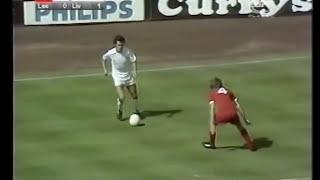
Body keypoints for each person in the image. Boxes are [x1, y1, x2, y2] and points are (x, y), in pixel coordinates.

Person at [202, 77, 257, 151]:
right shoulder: (229, 92)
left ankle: (212, 144)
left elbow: (212, 109)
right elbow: (238, 106)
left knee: (213, 124)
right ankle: (250, 144)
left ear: (213, 87)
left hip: (222, 115)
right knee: (239, 125)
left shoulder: (212, 94)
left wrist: (212, 120)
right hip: (233, 114)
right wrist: (245, 119)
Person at [102, 34, 140, 120]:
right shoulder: (111, 53)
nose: (120, 47)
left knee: (134, 95)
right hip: (117, 77)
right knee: (122, 97)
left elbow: (133, 60)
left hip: (128, 76)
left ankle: (136, 110)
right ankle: (120, 110)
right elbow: (104, 58)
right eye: (119, 45)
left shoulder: (128, 52)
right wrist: (105, 70)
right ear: (115, 44)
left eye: (122, 45)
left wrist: (134, 70)